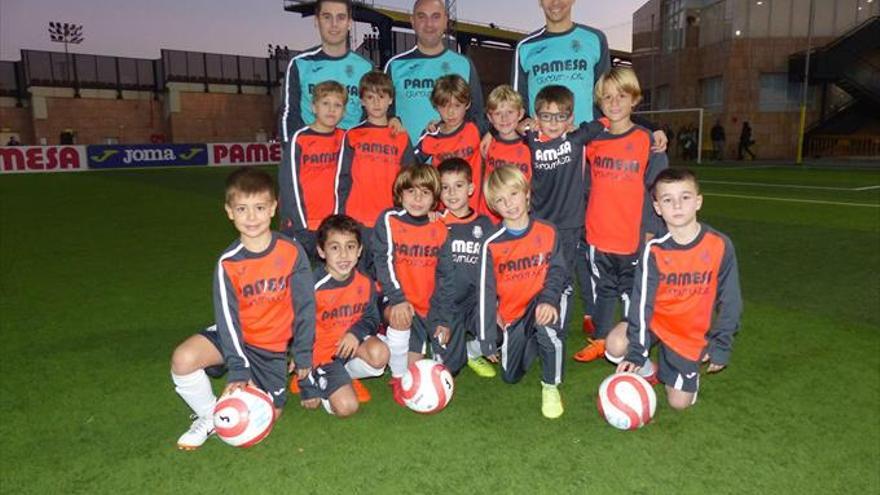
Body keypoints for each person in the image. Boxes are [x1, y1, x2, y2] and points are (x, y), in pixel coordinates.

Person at [170, 167, 315, 450]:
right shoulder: (228, 262)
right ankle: (210, 415)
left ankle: (234, 402)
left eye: (260, 207)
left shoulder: (291, 252)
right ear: (229, 211)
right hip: (233, 337)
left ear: (273, 208)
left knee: (266, 415)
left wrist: (302, 352)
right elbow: (226, 318)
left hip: (270, 350)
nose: (251, 217)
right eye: (242, 208)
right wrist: (238, 369)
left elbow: (306, 306)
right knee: (183, 359)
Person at [605, 168, 743, 410]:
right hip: (655, 322)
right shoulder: (654, 250)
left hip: (689, 333)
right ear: (658, 208)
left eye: (685, 197)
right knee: (615, 344)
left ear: (698, 202)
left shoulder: (720, 245)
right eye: (668, 200)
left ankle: (686, 376)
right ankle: (647, 369)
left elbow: (730, 300)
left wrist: (721, 344)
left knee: (679, 403)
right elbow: (641, 303)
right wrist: (637, 351)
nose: (677, 206)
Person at [572, 67, 668, 363]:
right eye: (607, 98)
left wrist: (651, 232)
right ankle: (601, 339)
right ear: (599, 102)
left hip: (633, 237)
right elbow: (586, 183)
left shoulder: (647, 141)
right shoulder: (593, 141)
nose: (614, 103)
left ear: (634, 100)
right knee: (604, 290)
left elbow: (658, 191)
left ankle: (635, 343)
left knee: (632, 293)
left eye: (621, 96)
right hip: (598, 235)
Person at [477, 166, 568, 418]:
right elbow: (485, 292)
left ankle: (551, 385)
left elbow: (559, 271)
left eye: (514, 194)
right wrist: (486, 337)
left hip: (547, 297)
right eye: (500, 200)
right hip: (515, 313)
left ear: (526, 193)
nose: (510, 204)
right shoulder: (491, 242)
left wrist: (549, 300)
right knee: (510, 376)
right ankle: (536, 340)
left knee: (546, 323)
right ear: (494, 206)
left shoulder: (548, 231)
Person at [371, 165, 451, 405]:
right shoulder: (389, 219)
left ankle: (402, 346)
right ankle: (396, 378)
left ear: (434, 198)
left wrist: (443, 317)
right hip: (395, 298)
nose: (417, 199)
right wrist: (397, 298)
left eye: (425, 193)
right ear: (400, 193)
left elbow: (446, 277)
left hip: (427, 305)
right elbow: (382, 262)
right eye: (411, 191)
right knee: (400, 317)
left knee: (437, 365)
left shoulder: (440, 228)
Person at [296, 214, 390, 416]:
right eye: (335, 248)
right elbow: (297, 330)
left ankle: (341, 377)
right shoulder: (311, 287)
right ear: (321, 251)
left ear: (359, 250)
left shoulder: (365, 283)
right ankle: (317, 378)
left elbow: (372, 318)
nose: (344, 255)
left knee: (380, 355)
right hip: (321, 356)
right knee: (347, 408)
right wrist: (306, 385)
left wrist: (355, 333)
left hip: (349, 346)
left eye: (350, 246)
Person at [337, 70, 415, 274]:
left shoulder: (400, 136)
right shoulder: (353, 135)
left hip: (390, 219)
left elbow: (411, 180)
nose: (376, 103)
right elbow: (342, 180)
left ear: (390, 100)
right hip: (358, 220)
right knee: (359, 277)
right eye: (370, 97)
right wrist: (342, 216)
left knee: (388, 275)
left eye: (382, 96)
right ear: (362, 101)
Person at [426, 158, 497, 377]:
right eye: (445, 187)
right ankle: (446, 349)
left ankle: (472, 351)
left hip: (475, 302)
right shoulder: (434, 223)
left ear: (471, 188)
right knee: (449, 370)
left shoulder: (485, 224)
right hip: (446, 306)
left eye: (458, 185)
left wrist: (496, 307)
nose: (452, 193)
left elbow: (492, 270)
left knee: (499, 335)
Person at [384, 0, 485, 140]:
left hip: (451, 159)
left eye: (436, 17)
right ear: (412, 21)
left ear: (445, 21)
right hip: (408, 159)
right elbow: (382, 115)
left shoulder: (463, 64)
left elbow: (477, 117)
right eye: (422, 16)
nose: (429, 24)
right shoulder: (395, 65)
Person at [279, 0, 373, 141]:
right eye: (327, 17)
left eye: (341, 17)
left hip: (351, 153)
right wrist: (293, 151)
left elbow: (371, 115)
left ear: (349, 23)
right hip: (312, 153)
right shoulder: (300, 63)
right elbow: (289, 113)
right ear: (317, 21)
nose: (334, 24)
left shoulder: (366, 67)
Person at [278, 80, 346, 260]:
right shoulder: (299, 139)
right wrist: (300, 226)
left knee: (330, 281)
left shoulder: (345, 139)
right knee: (297, 280)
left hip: (331, 225)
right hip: (300, 225)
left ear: (344, 111)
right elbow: (289, 185)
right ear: (314, 107)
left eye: (337, 105)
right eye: (325, 103)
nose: (331, 109)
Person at [513, 0, 609, 126]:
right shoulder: (525, 46)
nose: (555, 2)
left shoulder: (595, 39)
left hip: (588, 139)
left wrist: (597, 130)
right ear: (540, 2)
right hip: (543, 141)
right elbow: (516, 100)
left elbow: (606, 92)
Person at [414, 74, 484, 211]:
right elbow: (409, 162)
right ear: (436, 106)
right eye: (444, 106)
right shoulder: (432, 135)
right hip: (442, 211)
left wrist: (490, 134)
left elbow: (502, 120)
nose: (451, 112)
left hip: (475, 210)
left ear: (467, 104)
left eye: (457, 106)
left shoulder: (476, 128)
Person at [482, 85, 530, 224]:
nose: (504, 118)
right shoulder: (488, 143)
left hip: (521, 215)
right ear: (489, 118)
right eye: (497, 114)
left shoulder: (530, 145)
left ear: (520, 114)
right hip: (490, 216)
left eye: (510, 112)